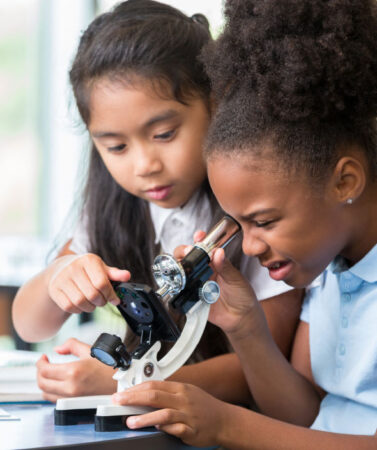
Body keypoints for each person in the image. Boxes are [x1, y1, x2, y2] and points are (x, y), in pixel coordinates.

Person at [110, 0, 377, 448]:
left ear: (345, 181)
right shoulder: (330, 270)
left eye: (264, 221)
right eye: (238, 224)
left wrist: (230, 425)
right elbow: (305, 417)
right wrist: (246, 328)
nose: (249, 247)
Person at [11, 0, 302, 404]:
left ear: (215, 106)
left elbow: (262, 368)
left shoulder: (255, 212)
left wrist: (125, 382)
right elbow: (29, 325)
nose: (144, 165)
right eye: (115, 146)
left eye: (164, 134)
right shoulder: (113, 206)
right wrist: (59, 275)